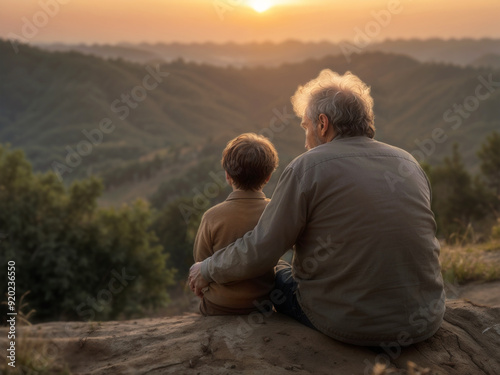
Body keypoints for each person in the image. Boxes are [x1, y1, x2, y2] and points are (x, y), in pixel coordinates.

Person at [189, 70, 445, 346]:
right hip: (425, 318)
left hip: (349, 324)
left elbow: (262, 249)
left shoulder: (307, 167)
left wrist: (207, 269)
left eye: (305, 126)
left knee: (278, 273)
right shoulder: (408, 163)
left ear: (323, 124)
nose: (305, 139)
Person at [193, 133, 279, 316]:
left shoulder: (212, 216)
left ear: (227, 176)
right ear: (268, 177)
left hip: (219, 306)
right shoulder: (276, 212)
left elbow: (201, 261)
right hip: (262, 304)